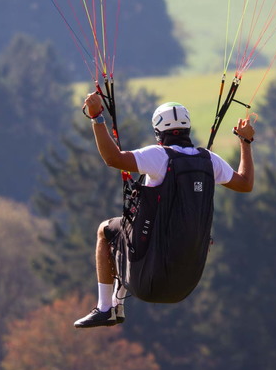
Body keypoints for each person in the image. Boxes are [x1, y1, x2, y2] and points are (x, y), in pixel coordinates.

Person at [74, 92, 256, 328]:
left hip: (148, 280)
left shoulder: (158, 155)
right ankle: (116, 304)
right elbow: (245, 183)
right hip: (183, 285)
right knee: (125, 233)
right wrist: (246, 142)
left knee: (106, 231)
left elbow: (112, 158)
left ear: (159, 132)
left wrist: (97, 117)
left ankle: (106, 307)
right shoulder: (210, 160)